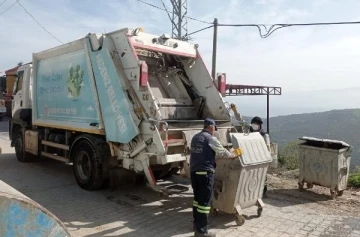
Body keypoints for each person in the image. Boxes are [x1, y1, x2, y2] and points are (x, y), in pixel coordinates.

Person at [190, 118, 237, 237]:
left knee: (197, 200)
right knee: (204, 203)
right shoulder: (211, 139)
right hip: (205, 173)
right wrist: (233, 154)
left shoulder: (195, 137)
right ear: (211, 127)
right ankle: (201, 232)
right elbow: (222, 152)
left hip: (194, 172)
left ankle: (196, 224)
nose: (215, 130)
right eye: (215, 128)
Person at [249, 116, 269, 198]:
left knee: (262, 176)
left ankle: (263, 192)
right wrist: (235, 112)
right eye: (253, 123)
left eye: (256, 124)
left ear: (259, 125)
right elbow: (241, 122)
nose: (254, 125)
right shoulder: (250, 132)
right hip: (251, 157)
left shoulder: (264, 135)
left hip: (261, 158)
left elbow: (267, 147)